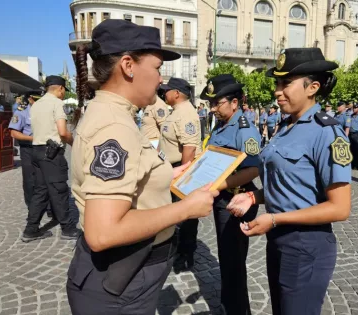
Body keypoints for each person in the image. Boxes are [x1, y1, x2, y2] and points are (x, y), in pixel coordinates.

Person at [67, 19, 218, 315]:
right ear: (128, 65)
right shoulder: (114, 125)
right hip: (120, 283)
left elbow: (134, 176)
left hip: (126, 278)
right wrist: (186, 210)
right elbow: (103, 233)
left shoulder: (114, 114)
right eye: (158, 68)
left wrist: (168, 175)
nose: (162, 79)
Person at [226, 47, 351, 315]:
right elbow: (286, 182)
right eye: (277, 83)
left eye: (286, 84)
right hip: (280, 239)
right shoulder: (286, 126)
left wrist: (273, 219)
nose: (277, 91)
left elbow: (340, 208)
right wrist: (254, 197)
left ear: (312, 87)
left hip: (306, 244)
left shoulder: (327, 132)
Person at [200, 74, 262, 315]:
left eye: (217, 103)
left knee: (233, 262)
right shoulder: (222, 125)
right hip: (222, 198)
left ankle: (237, 310)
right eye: (211, 103)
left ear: (234, 103)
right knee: (226, 259)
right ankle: (228, 306)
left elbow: (254, 169)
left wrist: (218, 185)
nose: (213, 108)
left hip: (238, 199)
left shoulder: (245, 130)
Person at [23, 75, 79, 242]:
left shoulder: (36, 105)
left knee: (41, 191)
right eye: (64, 91)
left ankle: (31, 229)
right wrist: (73, 142)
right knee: (59, 190)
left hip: (36, 151)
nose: (63, 94)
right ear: (60, 88)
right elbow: (62, 132)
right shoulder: (57, 104)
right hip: (52, 153)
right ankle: (68, 228)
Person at [158, 77, 203, 271]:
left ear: (176, 93)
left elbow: (189, 149)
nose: (164, 93)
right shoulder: (176, 111)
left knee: (185, 216)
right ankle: (178, 248)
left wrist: (183, 177)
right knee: (176, 214)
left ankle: (185, 254)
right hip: (172, 167)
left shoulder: (186, 113)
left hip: (182, 167)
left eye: (167, 90)